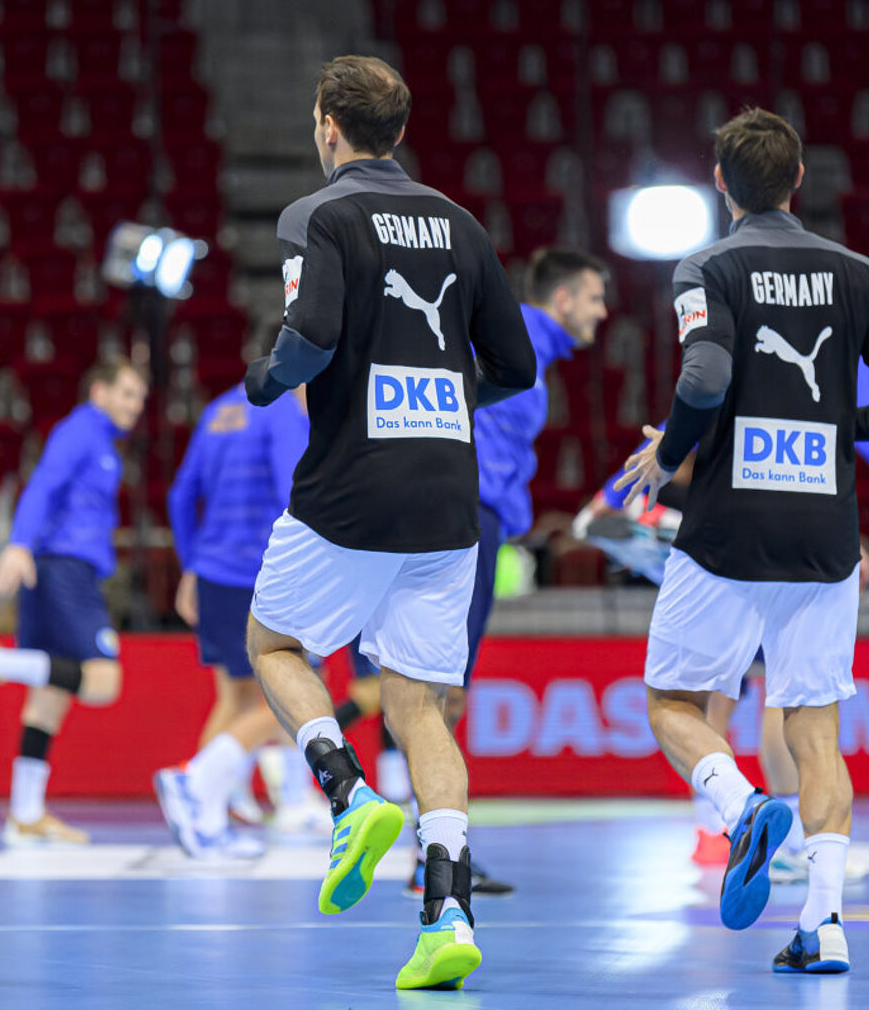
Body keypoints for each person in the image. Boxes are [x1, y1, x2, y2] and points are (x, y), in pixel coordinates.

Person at [615, 107, 869, 975]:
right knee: (815, 731)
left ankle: (739, 803)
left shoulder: (707, 266)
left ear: (721, 185)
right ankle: (824, 926)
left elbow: (706, 373)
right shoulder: (862, 274)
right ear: (798, 183)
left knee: (674, 703)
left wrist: (668, 452)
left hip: (726, 530)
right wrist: (840, 423)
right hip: (826, 536)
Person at [241, 55, 535, 990]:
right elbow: (517, 364)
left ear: (327, 123)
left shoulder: (315, 216)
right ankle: (447, 914)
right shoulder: (461, 224)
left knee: (276, 644)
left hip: (349, 489)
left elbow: (313, 333)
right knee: (421, 707)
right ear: (398, 132)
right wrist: (442, 394)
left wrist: (265, 379)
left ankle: (343, 791)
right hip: (451, 502)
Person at [593, 357, 869, 874]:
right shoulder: (841, 320)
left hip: (730, 533)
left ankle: (719, 826)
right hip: (798, 531)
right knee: (787, 696)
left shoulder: (746, 303)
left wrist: (612, 492)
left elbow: (701, 396)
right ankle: (788, 843)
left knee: (716, 695)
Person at [341, 247, 610, 899]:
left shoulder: (526, 351)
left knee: (425, 684)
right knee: (436, 690)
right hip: (463, 518)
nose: (604, 313)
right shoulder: (505, 335)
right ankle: (425, 848)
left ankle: (422, 846)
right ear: (564, 299)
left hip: (469, 517)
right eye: (596, 298)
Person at [0, 359, 147, 845]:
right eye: (127, 393)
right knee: (104, 681)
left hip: (58, 568)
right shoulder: (80, 432)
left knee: (48, 697)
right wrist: (18, 544)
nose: (135, 406)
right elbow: (43, 486)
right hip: (64, 570)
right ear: (99, 391)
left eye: (140, 397)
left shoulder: (99, 439)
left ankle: (25, 813)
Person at [153, 382, 316, 856]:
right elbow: (296, 492)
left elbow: (182, 494)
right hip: (263, 575)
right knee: (290, 694)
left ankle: (205, 816)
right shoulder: (283, 410)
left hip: (213, 574)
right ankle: (195, 787)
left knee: (237, 698)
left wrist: (191, 564)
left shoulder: (219, 409)